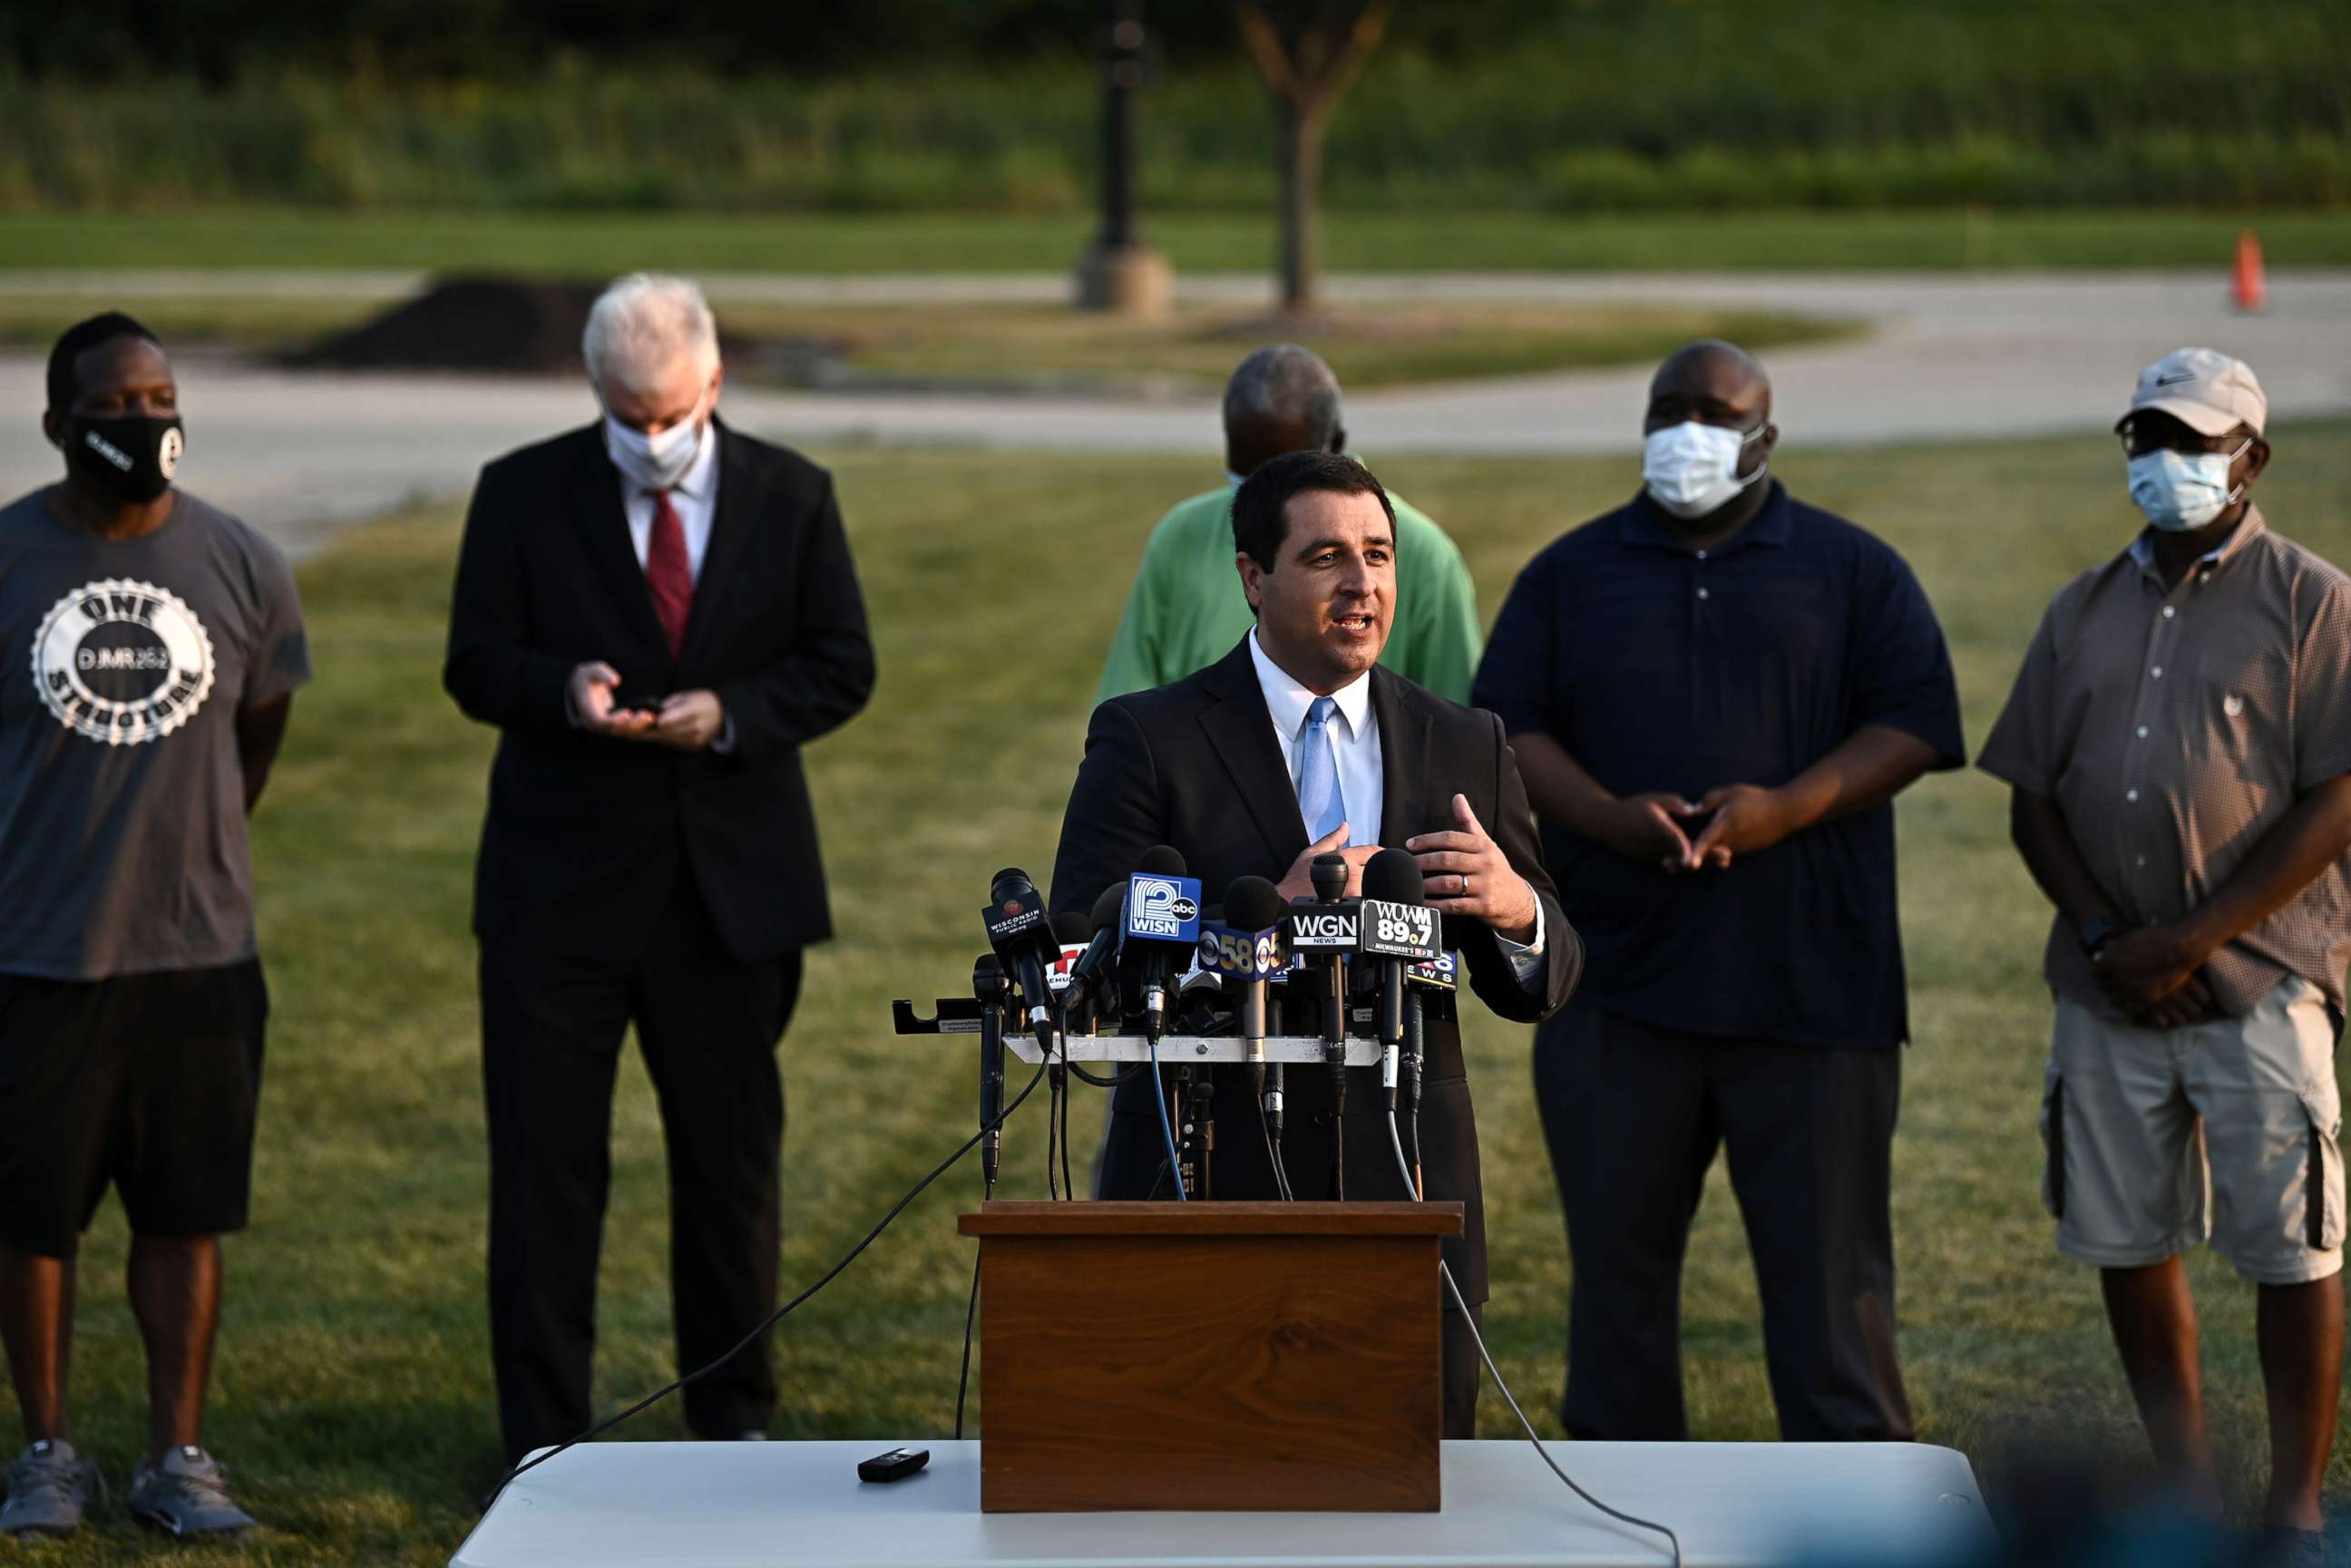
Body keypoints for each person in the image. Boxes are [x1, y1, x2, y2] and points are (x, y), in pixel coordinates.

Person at [1472, 340, 1963, 1444]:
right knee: (1617, 1304)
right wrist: (1604, 817)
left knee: (1833, 1307)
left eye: (1714, 410)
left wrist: (1787, 807)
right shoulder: (1570, 572)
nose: (1685, 429)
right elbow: (1506, 728)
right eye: (1667, 408)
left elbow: (1919, 725)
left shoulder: (1850, 568)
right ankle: (1630, 1526)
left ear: (1763, 436)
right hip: (1617, 994)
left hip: (1811, 999)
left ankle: (1855, 1519)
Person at [1050, 449, 1581, 1438]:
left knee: (1407, 1483)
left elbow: (1546, 977)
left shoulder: (1464, 741)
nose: (1363, 584)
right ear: (1253, 577)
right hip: (1204, 1165)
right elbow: (1087, 940)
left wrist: (1517, 911)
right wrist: (1257, 923)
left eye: (1379, 556)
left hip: (1409, 1173)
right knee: (1189, 1473)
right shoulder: (1149, 736)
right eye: (1327, 557)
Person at [444, 274, 874, 1465]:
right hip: (556, 894)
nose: (648, 436)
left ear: (714, 384)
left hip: (730, 896)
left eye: (668, 412)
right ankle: (544, 1431)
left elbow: (843, 664)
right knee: (543, 1173)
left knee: (730, 1169)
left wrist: (730, 712)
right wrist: (562, 691)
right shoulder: (522, 493)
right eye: (624, 415)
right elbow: (475, 661)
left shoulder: (792, 494)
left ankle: (730, 1417)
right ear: (593, 392)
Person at [1978, 348, 2349, 1564]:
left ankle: (2293, 1503)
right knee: (2128, 1240)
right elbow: (2031, 797)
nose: (2167, 462)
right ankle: (2184, 1494)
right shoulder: (2081, 608)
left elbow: (2338, 795)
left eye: (2193, 442)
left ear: (2251, 457)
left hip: (2260, 982)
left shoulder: (2310, 599)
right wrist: (2107, 938)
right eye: (2148, 437)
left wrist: (2193, 935)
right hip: (2106, 987)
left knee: (2291, 1245)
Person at [0, 315, 309, 1537]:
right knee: (31, 1217)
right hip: (39, 954)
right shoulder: (11, 559)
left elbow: (257, 732)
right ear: (59, 426)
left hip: (199, 958)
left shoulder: (242, 562)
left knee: (185, 1213)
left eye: (162, 395)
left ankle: (177, 1456)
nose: (145, 419)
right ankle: (47, 1455)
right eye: (118, 402)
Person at [1095, 345, 1483, 705]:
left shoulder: (1427, 554)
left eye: (1376, 555)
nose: (1362, 581)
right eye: (1249, 479)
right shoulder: (1181, 536)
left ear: (1336, 443)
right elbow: (1126, 702)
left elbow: (1453, 724)